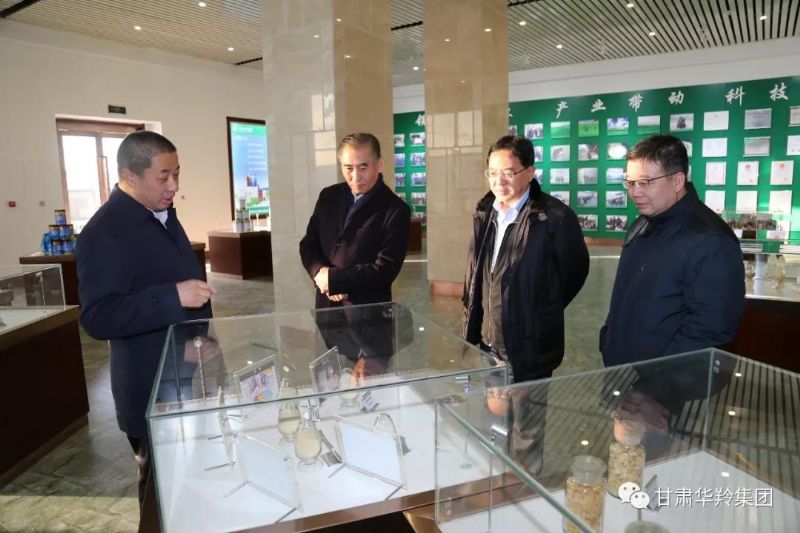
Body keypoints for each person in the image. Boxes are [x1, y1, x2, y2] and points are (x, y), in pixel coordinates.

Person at [76, 131, 214, 508]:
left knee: (189, 485)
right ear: (130, 176)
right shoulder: (103, 233)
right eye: (163, 177)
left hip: (182, 374)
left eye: (177, 174)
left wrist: (199, 339)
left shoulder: (161, 215)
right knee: (159, 495)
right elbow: (99, 316)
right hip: (148, 387)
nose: (174, 186)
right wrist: (173, 297)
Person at [600, 134, 744, 367]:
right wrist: (609, 338)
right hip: (622, 370)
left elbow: (710, 328)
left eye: (645, 182)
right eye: (630, 182)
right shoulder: (643, 223)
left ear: (677, 181)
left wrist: (659, 378)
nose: (635, 192)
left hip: (665, 382)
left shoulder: (711, 240)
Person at [463, 135, 590, 383]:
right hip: (489, 342)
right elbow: (476, 274)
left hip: (530, 345)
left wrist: (539, 309)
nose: (498, 181)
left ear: (530, 172)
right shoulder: (484, 212)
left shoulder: (554, 217)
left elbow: (574, 273)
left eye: (508, 173)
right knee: (492, 405)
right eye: (492, 173)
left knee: (527, 408)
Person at [299, 132, 411, 308]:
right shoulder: (328, 196)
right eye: (349, 168)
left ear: (379, 164)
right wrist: (320, 273)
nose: (356, 176)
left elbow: (385, 270)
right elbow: (308, 244)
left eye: (363, 167)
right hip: (325, 310)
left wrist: (335, 280)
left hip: (367, 313)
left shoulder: (396, 210)